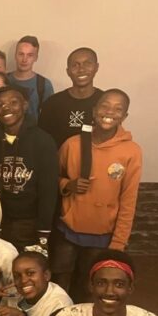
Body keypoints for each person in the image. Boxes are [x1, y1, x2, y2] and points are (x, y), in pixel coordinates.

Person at [52, 89, 141, 301]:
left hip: (101, 237)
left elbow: (128, 201)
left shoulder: (131, 151)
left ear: (125, 116)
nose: (109, 112)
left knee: (87, 287)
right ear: (94, 110)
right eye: (104, 106)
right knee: (59, 283)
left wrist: (118, 244)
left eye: (118, 109)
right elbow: (51, 177)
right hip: (67, 231)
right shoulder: (73, 144)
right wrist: (68, 184)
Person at [0, 86, 58, 252]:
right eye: (0, 104)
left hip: (32, 224)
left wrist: (43, 232)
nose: (6, 107)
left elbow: (49, 190)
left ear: (25, 105)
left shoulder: (43, 141)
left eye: (13, 102)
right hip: (2, 223)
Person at [38, 47, 102, 147]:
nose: (81, 69)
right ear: (68, 71)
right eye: (75, 65)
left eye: (87, 64)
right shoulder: (52, 104)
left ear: (96, 67)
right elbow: (42, 142)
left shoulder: (105, 102)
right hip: (60, 161)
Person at [7, 36, 54, 120]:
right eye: (21, 54)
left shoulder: (44, 84)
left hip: (33, 131)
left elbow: (49, 117)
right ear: (15, 55)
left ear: (36, 58)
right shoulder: (4, 80)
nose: (24, 60)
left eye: (30, 55)